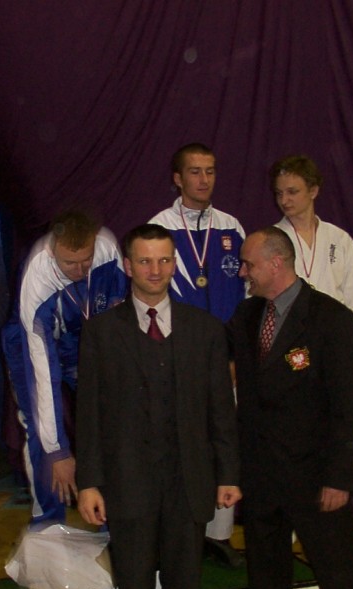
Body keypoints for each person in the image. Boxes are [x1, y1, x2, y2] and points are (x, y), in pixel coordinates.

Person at [77, 224, 241, 589]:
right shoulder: (101, 332)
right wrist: (89, 483)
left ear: (174, 263)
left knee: (184, 588)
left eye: (164, 260)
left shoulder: (207, 330)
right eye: (145, 261)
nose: (155, 270)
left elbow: (221, 411)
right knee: (134, 588)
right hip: (126, 485)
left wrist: (228, 474)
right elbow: (89, 415)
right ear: (128, 265)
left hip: (189, 484)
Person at [229, 227, 353, 589]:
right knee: (267, 582)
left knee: (341, 579)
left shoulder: (331, 318)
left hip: (315, 477)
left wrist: (338, 478)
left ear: (276, 264)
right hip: (261, 477)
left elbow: (346, 405)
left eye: (249, 264)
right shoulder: (246, 315)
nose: (242, 272)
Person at [149, 142, 246, 566]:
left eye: (210, 171)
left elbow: (246, 294)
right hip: (175, 356)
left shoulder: (231, 227)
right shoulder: (159, 228)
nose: (204, 180)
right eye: (194, 171)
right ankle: (179, 530)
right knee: (178, 442)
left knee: (224, 439)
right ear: (177, 178)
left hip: (224, 357)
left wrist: (237, 356)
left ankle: (219, 535)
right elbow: (150, 296)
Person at [2, 210, 127, 525]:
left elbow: (119, 318)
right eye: (69, 263)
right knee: (39, 427)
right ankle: (48, 523)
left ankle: (113, 515)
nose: (80, 270)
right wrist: (58, 452)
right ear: (52, 250)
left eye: (86, 261)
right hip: (32, 341)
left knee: (112, 417)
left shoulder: (106, 247)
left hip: (83, 334)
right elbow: (42, 376)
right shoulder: (37, 274)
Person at [271, 154, 353, 462]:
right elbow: (260, 303)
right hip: (288, 352)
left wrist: (339, 347)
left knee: (338, 432)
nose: (285, 200)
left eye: (293, 191)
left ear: (314, 190)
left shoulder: (339, 240)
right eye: (279, 193)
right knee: (294, 438)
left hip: (333, 350)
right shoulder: (270, 241)